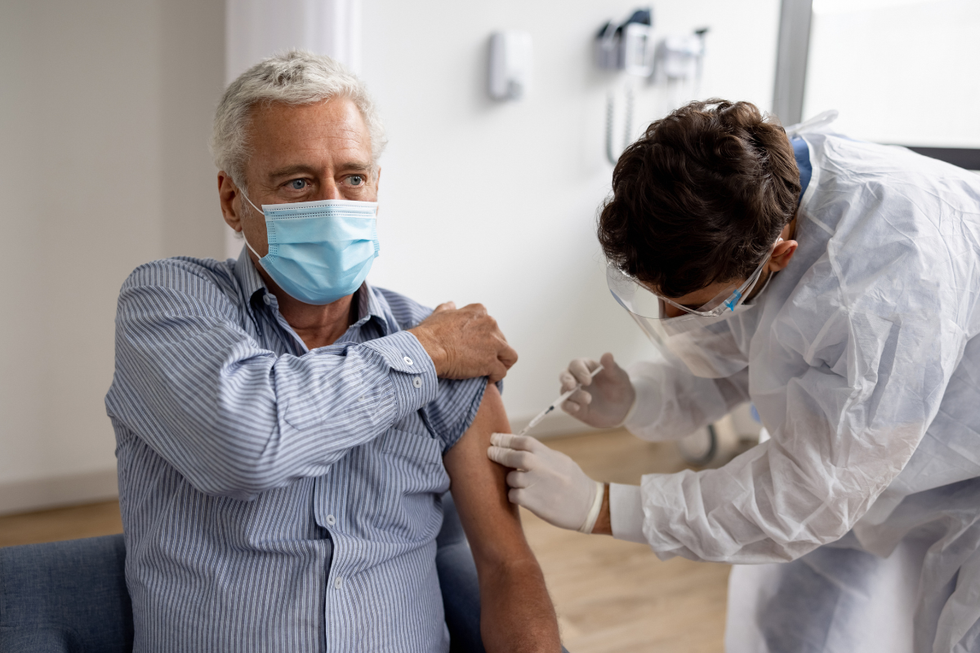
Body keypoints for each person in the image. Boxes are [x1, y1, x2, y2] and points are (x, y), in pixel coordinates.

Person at [105, 50, 561, 653]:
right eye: (297, 182)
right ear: (232, 201)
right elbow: (247, 444)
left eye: (352, 177)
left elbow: (509, 567)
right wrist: (425, 353)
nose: (334, 204)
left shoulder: (447, 347)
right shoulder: (168, 302)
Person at [488, 99, 980, 652]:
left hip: (967, 489)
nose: (673, 320)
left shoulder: (883, 287)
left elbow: (805, 498)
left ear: (781, 255)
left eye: (692, 305)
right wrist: (638, 397)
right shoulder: (747, 185)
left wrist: (602, 506)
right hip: (864, 458)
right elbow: (757, 351)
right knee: (792, 628)